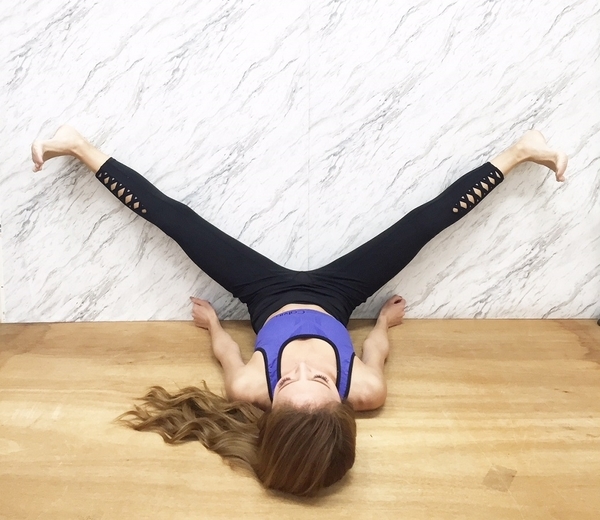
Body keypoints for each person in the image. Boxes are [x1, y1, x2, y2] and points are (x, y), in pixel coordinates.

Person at [31, 126, 567, 496]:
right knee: (424, 223)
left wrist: (213, 323)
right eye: (321, 379)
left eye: (290, 381)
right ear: (341, 403)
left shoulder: (250, 388)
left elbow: (227, 353)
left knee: (177, 221)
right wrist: (383, 322)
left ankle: (78, 145)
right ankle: (522, 150)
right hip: (339, 294)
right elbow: (375, 352)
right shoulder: (365, 391)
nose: (305, 369)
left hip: (263, 293)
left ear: (272, 407)